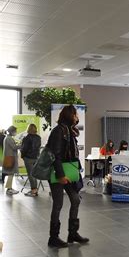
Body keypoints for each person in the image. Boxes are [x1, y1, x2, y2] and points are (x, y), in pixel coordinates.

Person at [47, 105, 88, 248]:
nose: (77, 117)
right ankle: (53, 237)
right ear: (70, 115)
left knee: (75, 200)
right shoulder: (59, 131)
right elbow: (55, 155)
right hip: (59, 172)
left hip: (69, 172)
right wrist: (61, 175)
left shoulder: (69, 131)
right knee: (58, 204)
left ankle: (72, 233)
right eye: (75, 115)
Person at [21, 124, 42, 197]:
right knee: (34, 174)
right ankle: (35, 190)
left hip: (28, 158)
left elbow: (24, 149)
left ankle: (33, 191)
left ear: (28, 129)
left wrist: (22, 156)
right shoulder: (38, 137)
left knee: (30, 175)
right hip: (36, 158)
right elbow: (38, 148)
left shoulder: (26, 138)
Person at [3, 126, 21, 195]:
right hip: (10, 158)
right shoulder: (9, 138)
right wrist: (21, 145)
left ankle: (9, 188)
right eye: (15, 131)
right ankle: (9, 189)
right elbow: (14, 147)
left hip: (9, 157)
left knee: (11, 173)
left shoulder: (8, 138)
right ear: (12, 131)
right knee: (11, 173)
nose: (16, 132)